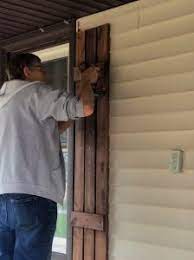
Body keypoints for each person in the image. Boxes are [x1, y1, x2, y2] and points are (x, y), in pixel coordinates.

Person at [0, 53, 98, 260]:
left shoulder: (4, 101)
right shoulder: (36, 92)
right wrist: (87, 80)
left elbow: (40, 132)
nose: (45, 74)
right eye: (41, 69)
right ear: (27, 70)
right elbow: (85, 107)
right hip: (33, 194)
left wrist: (71, 117)